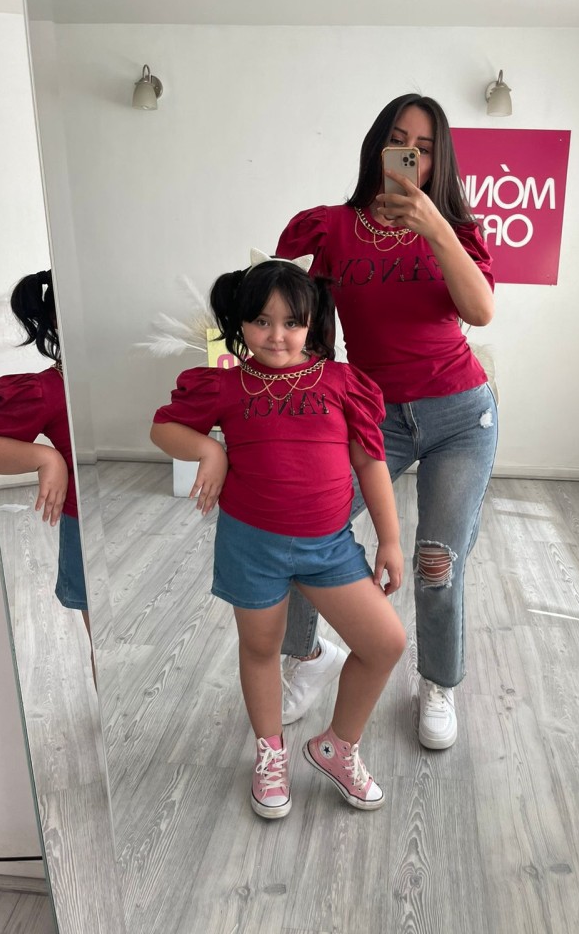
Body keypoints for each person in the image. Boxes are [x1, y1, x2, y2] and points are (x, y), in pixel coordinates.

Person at [273, 94, 498, 751]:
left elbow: (480, 311)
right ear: (378, 145)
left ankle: (437, 682)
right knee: (304, 525)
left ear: (437, 161)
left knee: (436, 561)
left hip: (460, 415)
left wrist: (435, 227)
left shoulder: (456, 230)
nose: (409, 154)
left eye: (423, 148)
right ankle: (309, 654)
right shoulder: (332, 229)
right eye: (398, 140)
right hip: (374, 416)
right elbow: (309, 327)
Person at [150, 252, 407, 819]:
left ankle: (337, 747)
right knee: (262, 648)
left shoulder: (341, 383)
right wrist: (209, 449)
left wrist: (389, 539)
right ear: (240, 323)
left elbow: (370, 463)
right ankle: (270, 753)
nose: (277, 335)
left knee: (385, 643)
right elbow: (163, 427)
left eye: (291, 322)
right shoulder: (225, 386)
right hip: (252, 547)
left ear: (311, 324)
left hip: (330, 549)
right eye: (261, 321)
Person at [0, 270, 96, 686]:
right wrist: (46, 457)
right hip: (89, 529)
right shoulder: (47, 390)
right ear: (57, 321)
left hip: (147, 517)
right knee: (109, 643)